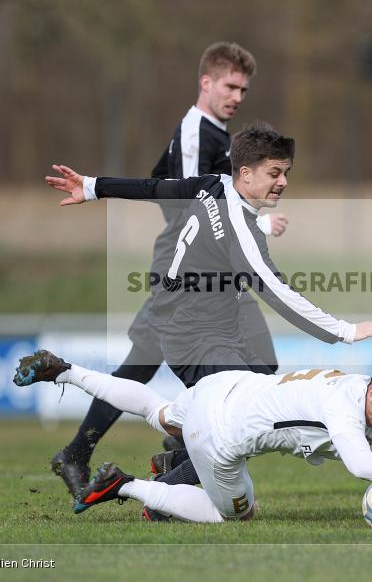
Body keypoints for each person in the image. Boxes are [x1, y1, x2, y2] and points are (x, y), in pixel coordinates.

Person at [47, 122, 372, 513]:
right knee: (248, 421)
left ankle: (172, 465)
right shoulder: (241, 229)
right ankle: (157, 491)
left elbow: (153, 188)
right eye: (274, 173)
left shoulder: (211, 184)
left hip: (194, 326)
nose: (282, 182)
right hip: (197, 336)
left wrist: (94, 187)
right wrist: (346, 331)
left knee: (254, 401)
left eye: (286, 173)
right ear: (245, 173)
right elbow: (277, 292)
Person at [49, 42, 287, 497]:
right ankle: (171, 452)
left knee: (250, 364)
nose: (237, 95)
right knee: (236, 367)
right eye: (229, 85)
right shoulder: (200, 131)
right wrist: (254, 221)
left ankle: (151, 451)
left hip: (207, 270)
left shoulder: (216, 135)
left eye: (244, 88)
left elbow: (169, 185)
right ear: (206, 82)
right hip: (188, 271)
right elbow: (190, 201)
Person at [13, 349, 372, 525]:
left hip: (223, 386)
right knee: (233, 516)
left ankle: (67, 372)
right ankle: (123, 485)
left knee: (155, 409)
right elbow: (364, 467)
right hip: (220, 433)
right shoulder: (342, 407)